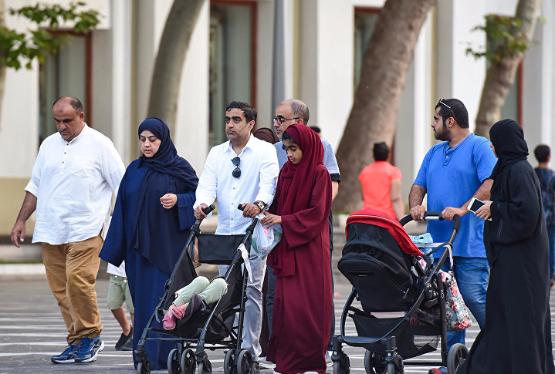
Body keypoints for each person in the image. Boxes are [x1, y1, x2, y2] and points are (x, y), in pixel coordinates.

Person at [10, 96, 125, 364]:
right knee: (61, 290)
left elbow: (121, 185)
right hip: (51, 229)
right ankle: (76, 341)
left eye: (67, 121)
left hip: (86, 228)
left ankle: (91, 336)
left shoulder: (100, 145)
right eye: (57, 121)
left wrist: (119, 225)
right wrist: (20, 221)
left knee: (78, 282)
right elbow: (35, 186)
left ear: (81, 116)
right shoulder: (48, 145)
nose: (61, 127)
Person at [457, 119, 555, 374]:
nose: (491, 146)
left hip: (522, 267)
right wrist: (491, 210)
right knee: (504, 319)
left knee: (520, 321)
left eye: (495, 141)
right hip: (512, 263)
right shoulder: (509, 169)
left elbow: (528, 213)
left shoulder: (519, 171)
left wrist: (495, 208)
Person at [100, 117, 198, 370]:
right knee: (143, 305)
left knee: (166, 302)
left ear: (163, 140)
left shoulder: (179, 167)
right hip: (137, 253)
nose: (146, 144)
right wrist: (115, 247)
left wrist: (179, 200)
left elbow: (200, 197)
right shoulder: (134, 170)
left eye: (152, 140)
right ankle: (144, 355)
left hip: (167, 250)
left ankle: (168, 356)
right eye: (142, 140)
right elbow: (121, 207)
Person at [194, 101, 279, 364]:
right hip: (225, 232)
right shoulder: (217, 153)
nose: (229, 125)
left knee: (252, 290)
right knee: (225, 288)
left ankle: (249, 349)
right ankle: (224, 336)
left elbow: (269, 184)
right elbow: (207, 185)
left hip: (253, 232)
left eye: (236, 120)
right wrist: (202, 204)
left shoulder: (265, 151)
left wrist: (260, 205)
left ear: (250, 124)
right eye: (227, 119)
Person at [409, 98, 497, 349]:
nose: (432, 124)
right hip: (438, 246)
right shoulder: (434, 152)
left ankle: (503, 343)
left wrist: (462, 208)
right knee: (446, 304)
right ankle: (454, 359)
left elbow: (490, 185)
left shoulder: (479, 146)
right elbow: (418, 186)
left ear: (451, 121)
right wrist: (416, 205)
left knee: (473, 296)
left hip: (470, 243)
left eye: (436, 119)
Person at [261, 124, 332, 374]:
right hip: (287, 247)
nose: (289, 154)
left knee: (307, 307)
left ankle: (310, 359)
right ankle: (288, 360)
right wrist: (264, 213)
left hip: (310, 250)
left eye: (294, 149)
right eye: (287, 149)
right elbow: (278, 203)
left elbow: (317, 213)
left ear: (308, 147)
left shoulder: (320, 173)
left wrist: (283, 220)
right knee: (286, 306)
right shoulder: (286, 172)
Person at [270, 99, 340, 355]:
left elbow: (331, 185)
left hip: (310, 228)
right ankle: (282, 344)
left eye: (280, 119)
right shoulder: (276, 152)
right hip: (283, 229)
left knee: (316, 288)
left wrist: (313, 209)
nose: (275, 123)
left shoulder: (321, 150)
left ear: (298, 121)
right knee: (280, 292)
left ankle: (322, 342)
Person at [162, 276, 228, 330]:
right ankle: (173, 308)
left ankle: (185, 307)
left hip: (204, 310)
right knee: (202, 280)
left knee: (221, 283)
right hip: (182, 299)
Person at [358, 141, 403, 219]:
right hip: (387, 219)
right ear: (388, 155)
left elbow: (363, 197)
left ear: (373, 154)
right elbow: (395, 198)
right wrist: (402, 222)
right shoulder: (393, 172)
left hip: (369, 217)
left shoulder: (364, 172)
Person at [534, 144, 555, 286]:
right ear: (549, 156)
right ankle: (550, 274)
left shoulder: (532, 173)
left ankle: (537, 271)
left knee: (537, 244)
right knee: (551, 245)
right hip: (551, 215)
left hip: (536, 214)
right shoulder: (552, 175)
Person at [106, 262, 134, 351]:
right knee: (112, 304)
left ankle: (136, 336)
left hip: (132, 274)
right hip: (115, 274)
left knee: (133, 309)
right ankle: (127, 330)